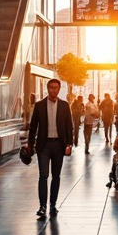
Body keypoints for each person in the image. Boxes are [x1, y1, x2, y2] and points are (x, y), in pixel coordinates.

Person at [26, 77, 74, 218]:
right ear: (48, 89)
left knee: (56, 176)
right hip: (44, 146)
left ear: (59, 89)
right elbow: (33, 126)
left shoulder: (65, 105)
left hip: (59, 146)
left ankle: (53, 205)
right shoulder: (40, 105)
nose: (54, 90)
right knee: (43, 176)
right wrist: (30, 145)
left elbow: (69, 126)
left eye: (56, 87)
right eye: (51, 87)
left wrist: (69, 144)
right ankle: (42, 206)